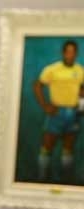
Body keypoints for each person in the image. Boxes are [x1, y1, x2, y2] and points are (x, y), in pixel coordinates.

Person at [33, 40, 84, 182]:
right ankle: (42, 179)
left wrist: (81, 107)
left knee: (68, 149)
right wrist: (45, 106)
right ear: (63, 53)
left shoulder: (80, 70)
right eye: (68, 52)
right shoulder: (52, 69)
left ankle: (66, 182)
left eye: (73, 52)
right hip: (56, 113)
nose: (70, 55)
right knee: (47, 146)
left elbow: (82, 91)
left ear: (76, 54)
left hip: (73, 113)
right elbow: (37, 86)